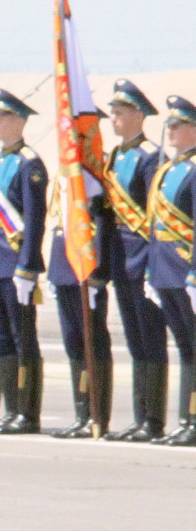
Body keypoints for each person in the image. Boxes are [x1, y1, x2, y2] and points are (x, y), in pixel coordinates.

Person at [99, 80, 169, 441]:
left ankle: (153, 420)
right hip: (121, 263)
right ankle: (139, 416)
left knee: (150, 339)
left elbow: (157, 218)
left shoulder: (150, 158)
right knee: (134, 342)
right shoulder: (115, 158)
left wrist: (152, 266)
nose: (113, 118)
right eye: (112, 112)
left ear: (139, 115)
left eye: (120, 112)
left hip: (142, 262)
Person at [0, 90, 48, 434]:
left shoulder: (28, 163)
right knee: (1, 336)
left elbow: (34, 220)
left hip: (15, 262)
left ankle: (26, 412)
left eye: (1, 117)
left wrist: (28, 265)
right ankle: (9, 409)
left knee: (23, 338)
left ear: (18, 121)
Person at [44, 162, 113, 437]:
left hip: (85, 268)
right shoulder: (66, 172)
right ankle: (82, 413)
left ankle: (97, 416)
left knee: (92, 342)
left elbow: (101, 223)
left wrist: (97, 273)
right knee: (74, 342)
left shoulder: (91, 175)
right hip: (64, 267)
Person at [147, 96, 196, 445]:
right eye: (169, 125)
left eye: (178, 125)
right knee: (185, 348)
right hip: (165, 271)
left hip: (186, 271)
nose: (171, 131)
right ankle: (186, 420)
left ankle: (192, 419)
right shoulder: (169, 168)